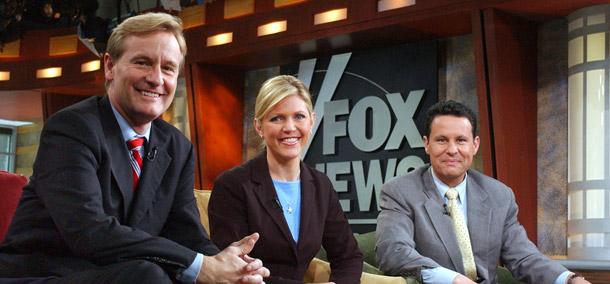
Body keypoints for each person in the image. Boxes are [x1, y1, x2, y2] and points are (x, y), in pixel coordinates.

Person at [0, 12, 269, 284]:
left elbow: (187, 235)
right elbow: (89, 231)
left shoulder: (177, 147)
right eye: (143, 63)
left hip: (126, 274)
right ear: (110, 66)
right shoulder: (72, 128)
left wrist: (228, 269)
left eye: (168, 68)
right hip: (47, 274)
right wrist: (201, 267)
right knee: (149, 275)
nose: (156, 79)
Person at [375, 100, 590, 284]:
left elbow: (523, 257)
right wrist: (451, 279)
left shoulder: (499, 195)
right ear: (427, 144)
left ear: (475, 145)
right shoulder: (400, 191)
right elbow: (393, 252)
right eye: (442, 140)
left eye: (461, 140)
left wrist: (570, 279)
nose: (452, 150)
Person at [208, 75, 363, 284]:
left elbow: (348, 256)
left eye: (299, 116)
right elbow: (233, 270)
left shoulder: (321, 186)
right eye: (277, 118)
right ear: (259, 127)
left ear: (312, 122)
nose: (290, 127)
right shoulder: (233, 185)